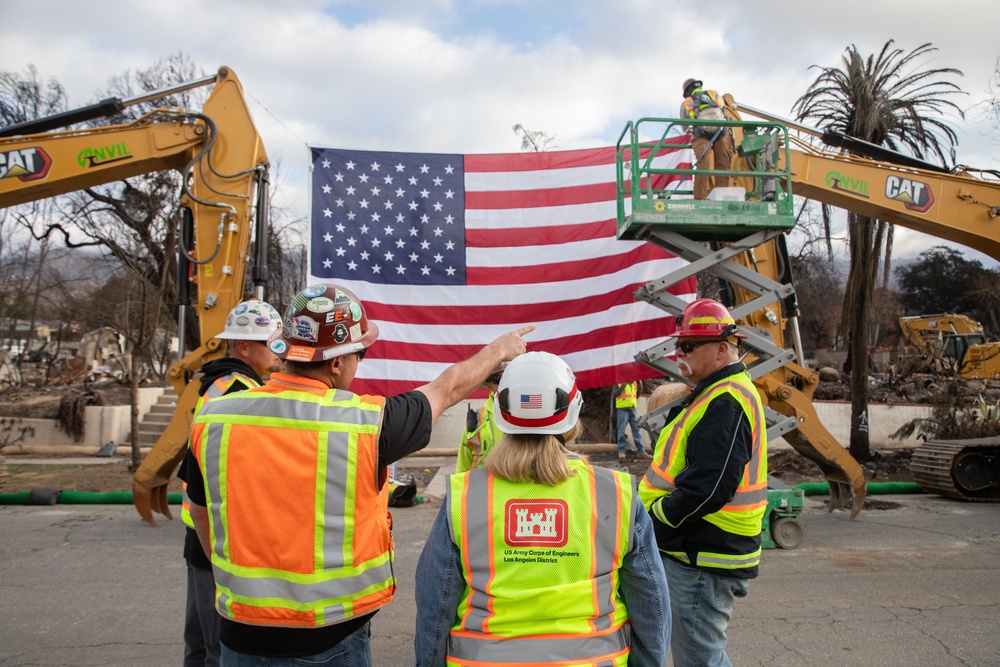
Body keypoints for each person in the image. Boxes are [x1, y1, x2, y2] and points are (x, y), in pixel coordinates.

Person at [186, 283, 532, 666]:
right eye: (360, 353)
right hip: (332, 641)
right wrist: (500, 350)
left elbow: (199, 512)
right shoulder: (367, 423)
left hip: (240, 634)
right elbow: (446, 389)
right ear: (337, 362)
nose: (359, 362)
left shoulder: (216, 417)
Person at [414, 351, 671, 667]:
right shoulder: (616, 494)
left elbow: (434, 608)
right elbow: (651, 604)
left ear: (500, 415)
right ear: (573, 414)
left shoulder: (464, 496)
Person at [638, 298, 767, 667]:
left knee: (700, 659)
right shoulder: (717, 393)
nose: (679, 352)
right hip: (702, 549)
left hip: (703, 553)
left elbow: (708, 488)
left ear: (722, 349)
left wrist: (656, 518)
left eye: (689, 346)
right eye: (679, 344)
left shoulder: (726, 400)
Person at [177, 298, 283, 667]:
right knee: (217, 648)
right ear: (243, 347)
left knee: (199, 638)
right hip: (216, 535)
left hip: (201, 528)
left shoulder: (218, 382)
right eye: (271, 342)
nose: (278, 350)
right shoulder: (240, 392)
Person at [679, 77, 736, 200]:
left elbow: (685, 128)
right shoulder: (714, 93)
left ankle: (700, 199)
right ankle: (722, 198)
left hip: (701, 134)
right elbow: (724, 113)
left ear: (687, 92)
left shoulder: (686, 103)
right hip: (722, 132)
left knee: (703, 167)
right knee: (723, 166)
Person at [456, 369, 503, 472]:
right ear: (489, 384)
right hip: (485, 487)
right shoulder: (478, 419)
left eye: (511, 377)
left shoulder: (541, 416)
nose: (505, 384)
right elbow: (463, 464)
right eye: (498, 379)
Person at [612, 380, 651, 462]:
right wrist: (623, 385)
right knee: (621, 431)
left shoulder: (635, 382)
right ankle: (621, 451)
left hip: (633, 408)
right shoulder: (618, 383)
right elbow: (614, 394)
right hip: (622, 409)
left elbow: (637, 394)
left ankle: (641, 451)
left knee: (636, 430)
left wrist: (640, 384)